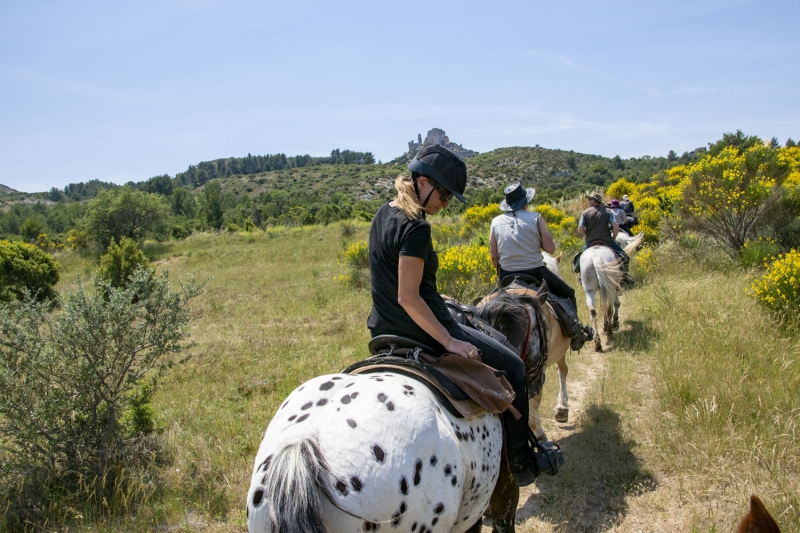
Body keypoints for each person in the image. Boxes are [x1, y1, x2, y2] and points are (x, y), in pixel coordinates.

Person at [367, 145, 554, 486]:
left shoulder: (383, 214)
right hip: (421, 331)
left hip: (382, 330)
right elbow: (407, 297)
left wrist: (434, 294)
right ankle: (524, 463)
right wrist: (450, 341)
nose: (446, 204)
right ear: (423, 183)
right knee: (512, 366)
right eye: (445, 195)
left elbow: (396, 282)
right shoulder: (417, 227)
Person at [489, 183, 579, 314]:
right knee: (569, 293)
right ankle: (575, 331)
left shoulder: (495, 222)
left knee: (488, 304)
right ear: (525, 202)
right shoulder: (536, 218)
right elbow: (550, 249)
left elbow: (494, 256)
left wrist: (502, 273)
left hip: (507, 276)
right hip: (535, 273)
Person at [577, 192, 634, 285]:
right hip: (606, 241)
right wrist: (613, 238)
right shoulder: (608, 212)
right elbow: (616, 227)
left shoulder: (584, 213)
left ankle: (581, 278)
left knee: (579, 260)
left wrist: (588, 234)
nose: (588, 201)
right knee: (624, 256)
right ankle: (625, 277)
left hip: (590, 242)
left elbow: (580, 229)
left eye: (590, 199)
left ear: (594, 201)